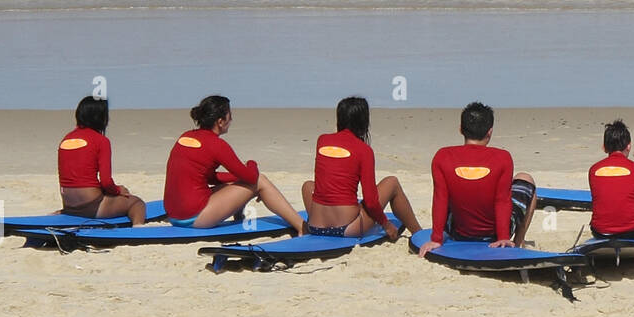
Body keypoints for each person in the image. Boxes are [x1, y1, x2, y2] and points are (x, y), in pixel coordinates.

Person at [163, 95, 304, 233]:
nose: (231, 119)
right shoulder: (217, 145)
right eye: (229, 116)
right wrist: (251, 163)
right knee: (260, 181)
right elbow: (252, 178)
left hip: (173, 214)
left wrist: (238, 178)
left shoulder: (186, 136)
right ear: (220, 121)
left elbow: (210, 177)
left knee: (239, 182)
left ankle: (238, 215)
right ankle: (301, 227)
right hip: (194, 218)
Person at [417, 102, 537, 257]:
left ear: (461, 129)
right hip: (493, 236)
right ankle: (517, 244)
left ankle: (513, 242)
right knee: (526, 179)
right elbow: (502, 200)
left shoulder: (442, 156)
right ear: (490, 132)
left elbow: (440, 199)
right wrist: (503, 237)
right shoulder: (503, 158)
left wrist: (436, 239)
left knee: (450, 191)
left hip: (457, 231)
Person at [300, 96, 422, 241]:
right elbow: (370, 201)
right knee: (392, 182)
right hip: (347, 228)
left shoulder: (322, 140)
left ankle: (314, 224)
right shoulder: (364, 150)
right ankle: (418, 233)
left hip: (316, 226)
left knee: (308, 185)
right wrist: (386, 224)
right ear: (364, 122)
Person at [57, 96, 146, 224]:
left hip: (69, 204)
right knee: (137, 203)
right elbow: (106, 182)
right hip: (92, 205)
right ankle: (138, 231)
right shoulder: (101, 141)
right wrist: (118, 190)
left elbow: (71, 176)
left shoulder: (66, 139)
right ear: (100, 118)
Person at [588, 120, 634, 239]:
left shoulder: (593, 170)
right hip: (632, 231)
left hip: (600, 232)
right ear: (629, 146)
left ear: (604, 147)